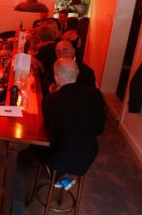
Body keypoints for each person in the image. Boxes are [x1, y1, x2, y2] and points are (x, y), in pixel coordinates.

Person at [41, 58, 105, 187]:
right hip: (87, 154)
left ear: (56, 77)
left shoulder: (50, 100)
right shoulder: (95, 94)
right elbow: (99, 129)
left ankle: (61, 176)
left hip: (61, 156)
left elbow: (50, 135)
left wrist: (54, 95)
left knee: (34, 146)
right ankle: (66, 178)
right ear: (77, 73)